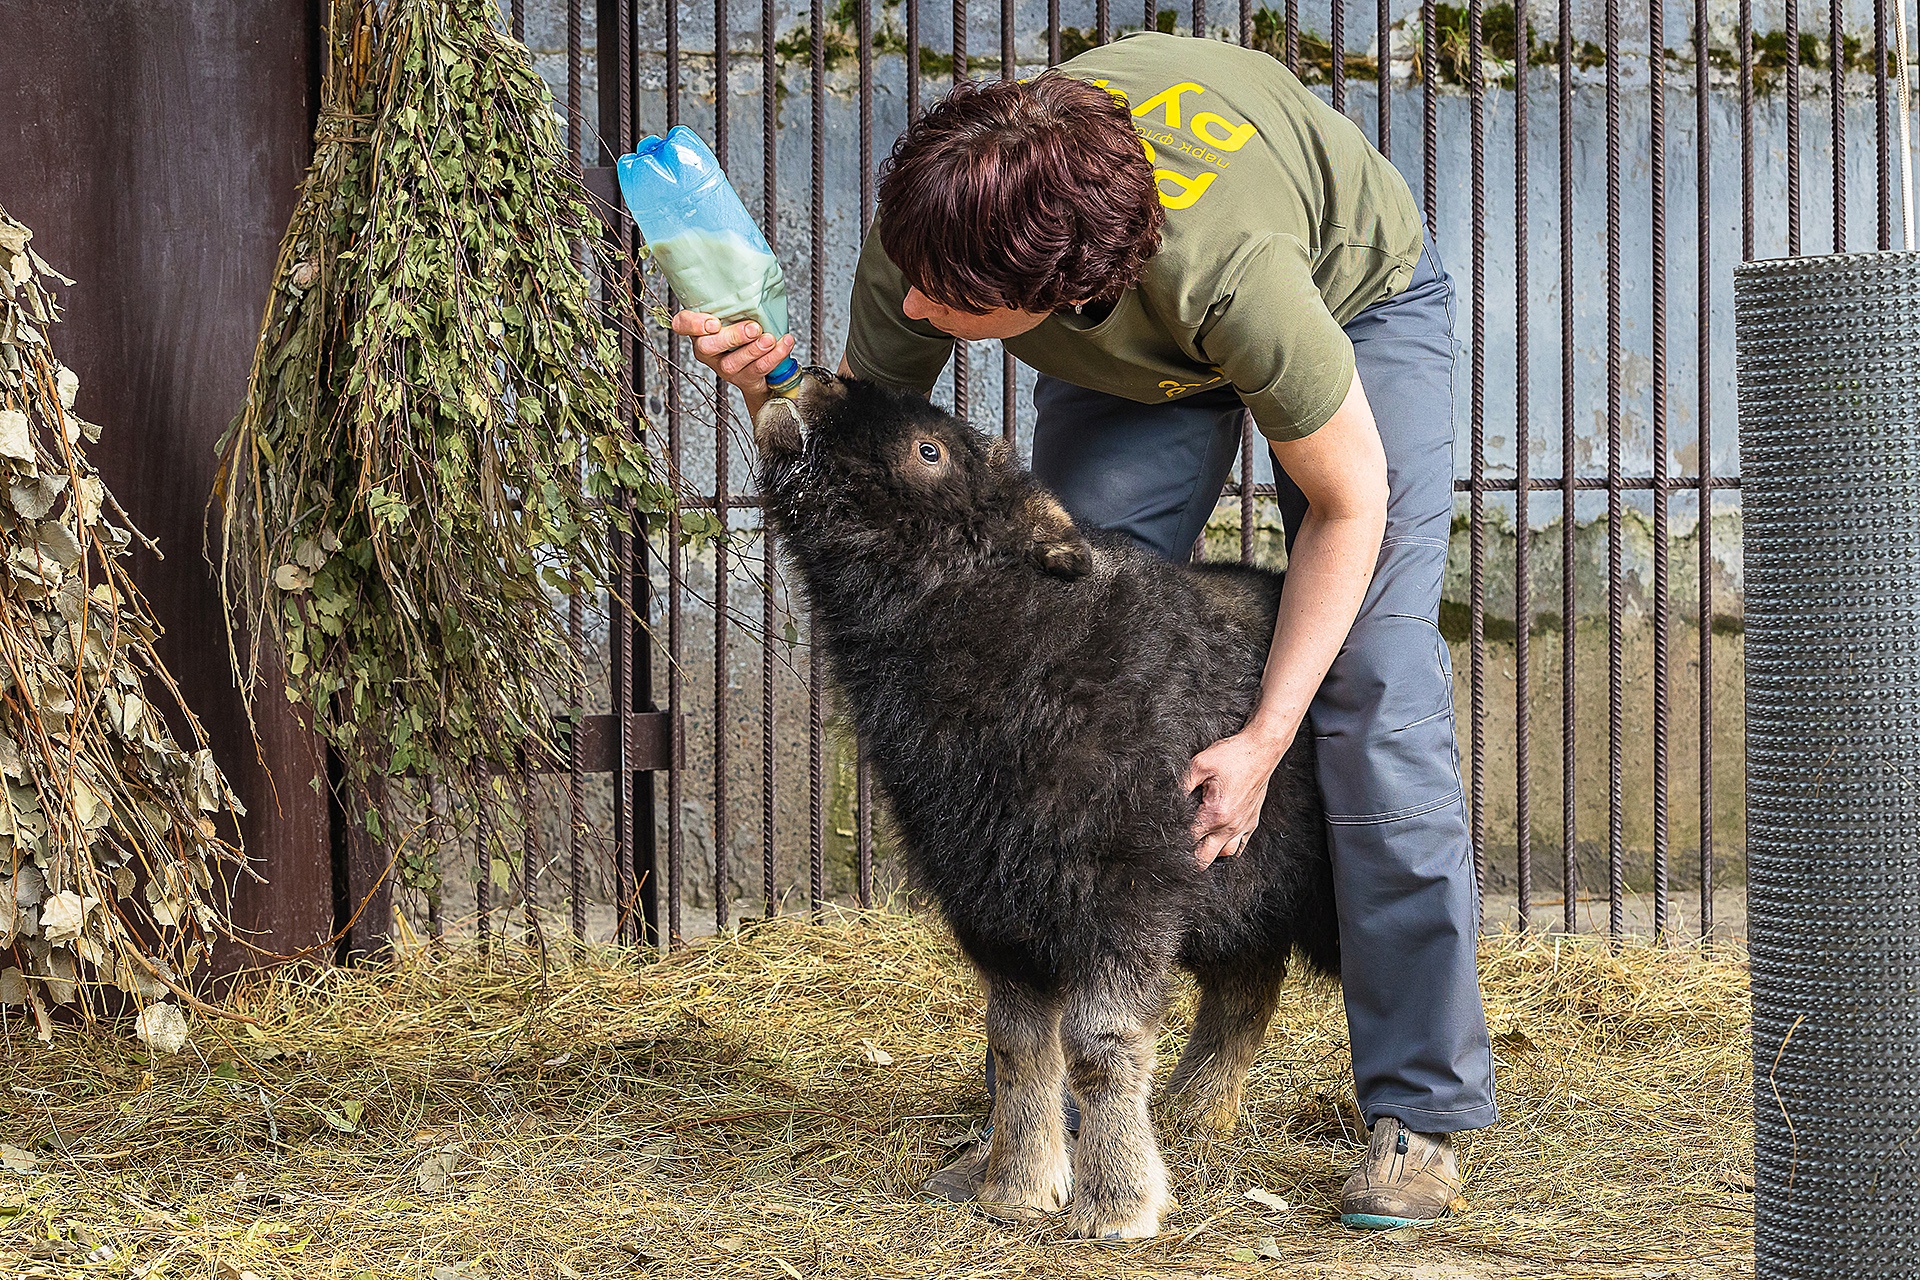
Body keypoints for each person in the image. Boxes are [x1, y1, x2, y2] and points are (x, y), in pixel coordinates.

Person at [676, 30, 1496, 1230]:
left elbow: (1349, 500)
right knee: (1066, 622)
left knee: (1372, 685)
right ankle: (1046, 1113)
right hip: (1129, 347)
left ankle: (1420, 1107)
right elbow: (860, 452)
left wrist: (1264, 736)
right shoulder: (946, 233)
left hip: (1347, 300)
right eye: (913, 277)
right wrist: (761, 379)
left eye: (952, 306)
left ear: (1063, 288)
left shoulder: (1238, 275)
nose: (916, 310)